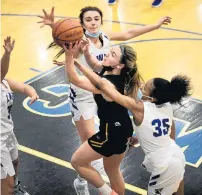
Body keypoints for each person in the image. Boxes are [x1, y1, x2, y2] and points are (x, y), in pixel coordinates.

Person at [38, 6, 171, 194]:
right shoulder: (78, 40)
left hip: (102, 89)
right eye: (88, 20)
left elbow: (128, 32)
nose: (93, 23)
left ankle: (102, 186)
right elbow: (65, 42)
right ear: (81, 24)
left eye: (96, 19)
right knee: (91, 144)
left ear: (101, 21)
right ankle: (86, 181)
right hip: (84, 94)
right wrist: (54, 26)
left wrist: (155, 26)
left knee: (98, 152)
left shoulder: (106, 38)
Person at [75, 59, 191, 195]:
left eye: (145, 88)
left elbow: (107, 89)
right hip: (176, 154)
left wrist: (80, 66)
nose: (141, 86)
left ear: (151, 98)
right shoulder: (167, 106)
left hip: (165, 165)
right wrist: (144, 139)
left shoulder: (139, 108)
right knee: (178, 191)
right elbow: (171, 131)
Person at [63, 41, 141, 195]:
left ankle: (108, 193)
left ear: (119, 65)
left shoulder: (108, 84)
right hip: (123, 128)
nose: (107, 54)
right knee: (112, 169)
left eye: (113, 54)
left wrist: (68, 56)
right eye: (110, 51)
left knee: (77, 162)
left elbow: (75, 79)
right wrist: (86, 54)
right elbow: (95, 66)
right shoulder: (114, 71)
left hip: (110, 133)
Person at [1, 37, 39, 195]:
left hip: (8, 132)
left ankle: (14, 187)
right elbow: (2, 70)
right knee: (6, 185)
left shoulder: (5, 82)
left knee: (15, 162)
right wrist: (7, 54)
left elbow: (24, 87)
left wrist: (32, 93)